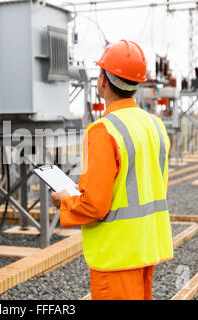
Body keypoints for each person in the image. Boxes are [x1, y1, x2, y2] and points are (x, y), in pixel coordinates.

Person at [51, 40, 173, 300]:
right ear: (137, 83)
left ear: (103, 80)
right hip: (146, 246)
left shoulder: (103, 131)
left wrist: (65, 201)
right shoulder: (156, 125)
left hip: (117, 254)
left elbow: (95, 206)